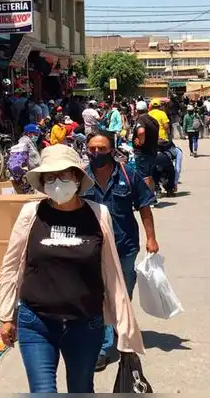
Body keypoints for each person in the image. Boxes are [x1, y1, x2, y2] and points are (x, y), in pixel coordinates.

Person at [0, 145, 145, 393]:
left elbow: (112, 273)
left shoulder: (99, 214)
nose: (57, 182)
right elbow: (11, 266)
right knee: (42, 391)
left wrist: (124, 328)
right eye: (50, 177)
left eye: (64, 175)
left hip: (85, 324)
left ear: (77, 177)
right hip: (36, 322)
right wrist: (5, 316)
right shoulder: (31, 213)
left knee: (81, 388)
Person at [82, 132, 158, 371]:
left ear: (112, 150)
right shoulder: (81, 178)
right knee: (100, 294)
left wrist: (152, 238)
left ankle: (117, 326)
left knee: (122, 292)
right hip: (92, 247)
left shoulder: (128, 174)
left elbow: (144, 207)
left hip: (125, 246)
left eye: (102, 149)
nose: (96, 153)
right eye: (92, 149)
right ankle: (103, 347)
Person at [131, 101, 160, 189]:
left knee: (143, 176)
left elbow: (141, 131)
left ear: (137, 110)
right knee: (150, 176)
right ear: (147, 109)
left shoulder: (141, 120)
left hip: (142, 153)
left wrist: (141, 142)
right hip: (152, 151)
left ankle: (145, 198)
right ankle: (151, 196)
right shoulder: (153, 120)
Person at [9, 124, 44, 194]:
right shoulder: (24, 142)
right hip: (31, 177)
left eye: (38, 134)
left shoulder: (31, 142)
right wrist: (24, 176)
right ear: (29, 133)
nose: (37, 136)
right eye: (36, 134)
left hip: (36, 176)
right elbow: (15, 163)